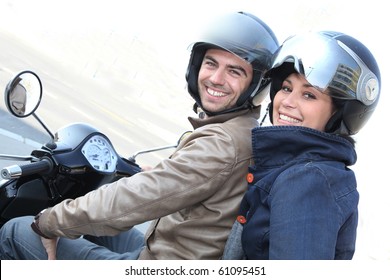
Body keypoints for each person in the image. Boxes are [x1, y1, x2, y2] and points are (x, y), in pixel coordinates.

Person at [0, 11, 279, 260]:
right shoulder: (244, 132)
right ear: (196, 66)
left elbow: (131, 201)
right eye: (210, 63)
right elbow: (188, 180)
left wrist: (48, 222)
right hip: (173, 249)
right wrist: (151, 174)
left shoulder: (223, 142)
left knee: (18, 231)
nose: (216, 78)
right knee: (93, 223)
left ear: (255, 85)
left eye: (234, 71)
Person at [222, 31, 381, 260]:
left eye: (309, 95)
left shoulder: (307, 180)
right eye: (286, 88)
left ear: (338, 114)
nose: (287, 102)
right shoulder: (307, 169)